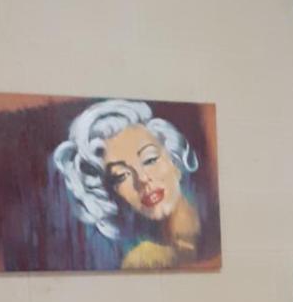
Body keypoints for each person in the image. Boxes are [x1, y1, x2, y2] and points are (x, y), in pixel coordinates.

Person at [53, 98, 205, 269]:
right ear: (110, 194)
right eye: (121, 175)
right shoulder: (142, 262)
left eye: (150, 159)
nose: (142, 179)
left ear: (175, 160)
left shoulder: (215, 225)